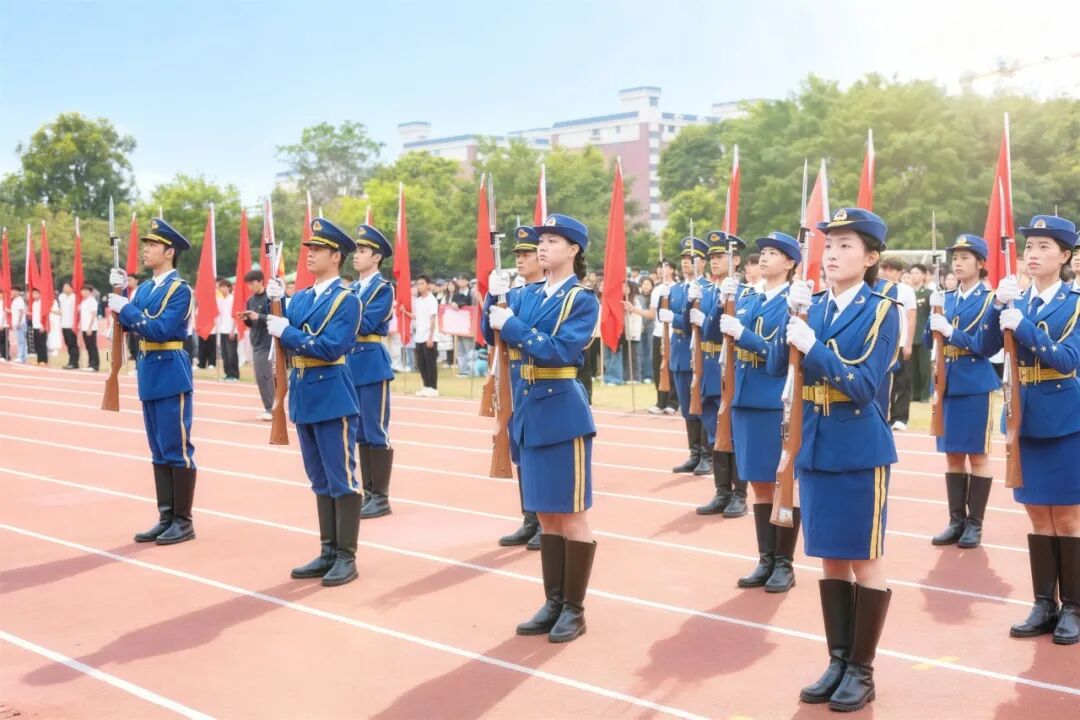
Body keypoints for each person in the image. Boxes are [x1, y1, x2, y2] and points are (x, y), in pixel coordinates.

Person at [768, 208, 900, 711]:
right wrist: (789, 318)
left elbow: (863, 385)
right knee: (830, 560)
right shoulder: (813, 305)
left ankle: (862, 670)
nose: (833, 255)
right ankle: (838, 659)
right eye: (829, 245)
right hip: (815, 443)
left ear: (870, 258)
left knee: (864, 559)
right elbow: (778, 366)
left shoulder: (883, 310)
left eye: (846, 246)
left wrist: (815, 347)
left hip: (858, 446)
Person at [486, 214, 600, 644]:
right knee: (547, 515)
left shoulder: (581, 300)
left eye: (552, 240)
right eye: (541, 241)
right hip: (529, 412)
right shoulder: (526, 294)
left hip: (562, 411)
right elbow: (492, 336)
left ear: (573, 249)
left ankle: (574, 609)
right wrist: (492, 299)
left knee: (572, 514)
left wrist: (512, 323)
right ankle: (554, 602)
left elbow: (559, 351)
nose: (542, 247)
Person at [973, 214, 1080, 647]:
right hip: (1023, 418)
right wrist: (997, 308)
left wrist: (1024, 326)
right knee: (1036, 514)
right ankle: (1044, 603)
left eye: (1044, 247)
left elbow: (1067, 359)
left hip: (1065, 419)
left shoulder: (1075, 302)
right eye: (1030, 247)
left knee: (1067, 516)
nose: (1033, 255)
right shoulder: (1017, 299)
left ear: (1065, 256)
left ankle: (1073, 606)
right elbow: (983, 348)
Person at [266, 217, 363, 587]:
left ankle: (346, 557)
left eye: (318, 249)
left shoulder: (347, 300)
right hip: (304, 394)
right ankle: (327, 550)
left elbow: (330, 347)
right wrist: (276, 301)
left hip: (333, 394)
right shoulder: (303, 298)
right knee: (319, 479)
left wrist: (288, 331)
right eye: (309, 248)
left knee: (341, 479)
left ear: (336, 256)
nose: (310, 254)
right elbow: (283, 332)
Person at [719, 231, 802, 591]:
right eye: (763, 252)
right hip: (745, 398)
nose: (764, 257)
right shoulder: (749, 297)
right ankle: (766, 558)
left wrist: (744, 335)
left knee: (782, 483)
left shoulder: (793, 302)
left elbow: (779, 354)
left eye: (773, 252)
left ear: (790, 262)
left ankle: (784, 562)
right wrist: (720, 302)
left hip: (774, 400)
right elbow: (721, 336)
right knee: (758, 483)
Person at [107, 218, 198, 546]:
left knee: (176, 449)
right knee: (158, 450)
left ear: (169, 251)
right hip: (149, 372)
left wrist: (127, 309)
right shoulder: (144, 289)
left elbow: (158, 329)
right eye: (145, 244)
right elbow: (128, 324)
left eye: (153, 245)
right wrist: (119, 295)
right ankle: (165, 517)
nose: (146, 250)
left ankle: (183, 521)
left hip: (171, 371)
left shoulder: (180, 290)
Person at [925, 235, 999, 549]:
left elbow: (984, 346)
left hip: (974, 382)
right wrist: (932, 321)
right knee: (953, 455)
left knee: (977, 456)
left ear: (980, 263)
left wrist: (950, 331)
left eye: (965, 257)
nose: (957, 263)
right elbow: (929, 343)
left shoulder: (990, 300)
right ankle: (956, 520)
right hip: (947, 381)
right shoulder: (946, 297)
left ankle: (975, 524)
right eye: (955, 257)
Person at [491, 225, 545, 551]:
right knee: (520, 451)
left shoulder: (545, 294)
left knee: (538, 453)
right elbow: (489, 333)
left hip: (537, 380)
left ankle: (545, 520)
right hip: (514, 382)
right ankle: (529, 518)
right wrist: (492, 297)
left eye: (527, 253)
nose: (520, 259)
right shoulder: (512, 295)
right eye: (518, 254)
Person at [690, 230, 748, 516]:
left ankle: (739, 494)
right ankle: (722, 491)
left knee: (733, 434)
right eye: (711, 256)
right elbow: (699, 329)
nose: (713, 261)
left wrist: (717, 306)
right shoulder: (707, 290)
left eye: (720, 256)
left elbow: (719, 330)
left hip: (731, 369)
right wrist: (690, 306)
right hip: (709, 368)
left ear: (735, 259)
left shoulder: (746, 292)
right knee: (717, 434)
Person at [347, 223, 397, 521]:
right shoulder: (351, 289)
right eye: (356, 250)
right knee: (360, 432)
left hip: (371, 363)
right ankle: (368, 493)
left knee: (375, 430)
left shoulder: (383, 289)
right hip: (351, 364)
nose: (356, 255)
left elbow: (365, 324)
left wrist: (341, 316)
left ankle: (381, 497)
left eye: (363, 250)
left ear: (376, 257)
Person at [658, 236, 712, 474]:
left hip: (698, 353)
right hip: (679, 354)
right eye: (683, 258)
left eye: (692, 258)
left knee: (702, 406)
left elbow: (696, 323)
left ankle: (707, 455)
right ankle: (694, 453)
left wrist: (675, 318)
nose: (686, 262)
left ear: (703, 262)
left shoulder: (707, 289)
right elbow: (663, 315)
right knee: (688, 407)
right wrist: (662, 305)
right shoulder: (675, 289)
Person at [880, 257, 916, 430]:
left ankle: (900, 417)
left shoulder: (906, 290)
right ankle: (881, 414)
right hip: (882, 342)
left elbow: (911, 317)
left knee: (902, 380)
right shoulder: (876, 287)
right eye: (885, 268)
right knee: (881, 381)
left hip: (900, 342)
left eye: (892, 269)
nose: (887, 272)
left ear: (900, 272)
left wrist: (908, 343)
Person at [240, 270, 274, 420]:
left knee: (264, 376)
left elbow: (276, 317)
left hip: (268, 342)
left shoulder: (270, 298)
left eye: (253, 283)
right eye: (249, 284)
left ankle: (271, 409)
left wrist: (258, 316)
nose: (251, 287)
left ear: (261, 281)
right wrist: (246, 318)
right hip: (256, 341)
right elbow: (251, 323)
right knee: (260, 376)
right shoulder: (251, 300)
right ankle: (269, 407)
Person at [645, 262, 678, 414]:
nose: (660, 270)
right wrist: (633, 309)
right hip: (658, 333)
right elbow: (652, 314)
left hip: (673, 333)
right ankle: (660, 401)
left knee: (671, 368)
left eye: (664, 267)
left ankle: (673, 402)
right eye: (659, 267)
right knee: (658, 368)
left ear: (672, 270)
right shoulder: (657, 290)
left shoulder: (678, 287)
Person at [412, 274, 440, 396]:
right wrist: (405, 312)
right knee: (421, 363)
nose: (420, 286)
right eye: (418, 284)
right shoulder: (418, 301)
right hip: (419, 336)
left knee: (430, 363)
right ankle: (426, 385)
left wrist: (430, 337)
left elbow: (432, 319)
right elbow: (417, 317)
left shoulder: (432, 300)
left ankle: (433, 387)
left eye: (422, 283)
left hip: (429, 336)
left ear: (428, 285)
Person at [909, 263, 933, 401]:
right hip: (910, 336)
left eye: (917, 273)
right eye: (912, 273)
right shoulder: (908, 292)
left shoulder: (929, 293)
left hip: (923, 335)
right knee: (912, 368)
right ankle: (914, 394)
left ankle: (924, 394)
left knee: (924, 367)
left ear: (924, 275)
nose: (914, 276)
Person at [216, 279, 240, 381]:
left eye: (224, 287)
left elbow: (236, 316)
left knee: (231, 354)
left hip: (231, 330)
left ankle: (234, 375)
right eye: (220, 287)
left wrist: (233, 330)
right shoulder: (221, 300)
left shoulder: (232, 299)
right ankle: (227, 373)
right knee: (225, 355)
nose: (222, 289)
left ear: (229, 288)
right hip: (222, 330)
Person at [58, 282, 80, 369]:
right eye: (64, 287)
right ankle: (71, 361)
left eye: (66, 287)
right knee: (68, 344)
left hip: (72, 325)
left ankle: (74, 362)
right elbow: (61, 311)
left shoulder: (74, 298)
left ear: (71, 288)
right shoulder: (62, 297)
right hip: (64, 324)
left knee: (72, 344)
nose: (64, 288)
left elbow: (77, 312)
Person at [79, 285, 100, 372]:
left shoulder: (92, 301)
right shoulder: (83, 301)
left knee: (92, 346)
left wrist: (90, 327)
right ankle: (90, 364)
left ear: (90, 292)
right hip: (84, 327)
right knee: (88, 347)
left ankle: (95, 365)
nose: (83, 292)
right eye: (82, 290)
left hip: (91, 328)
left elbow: (94, 314)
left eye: (85, 290)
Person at [10, 287, 27, 362]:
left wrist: (19, 322)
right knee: (20, 340)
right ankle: (23, 357)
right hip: (16, 323)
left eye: (14, 291)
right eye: (12, 291)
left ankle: (20, 356)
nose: (13, 292)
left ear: (18, 292)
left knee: (21, 341)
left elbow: (21, 312)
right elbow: (14, 312)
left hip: (20, 323)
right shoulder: (14, 300)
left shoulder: (20, 300)